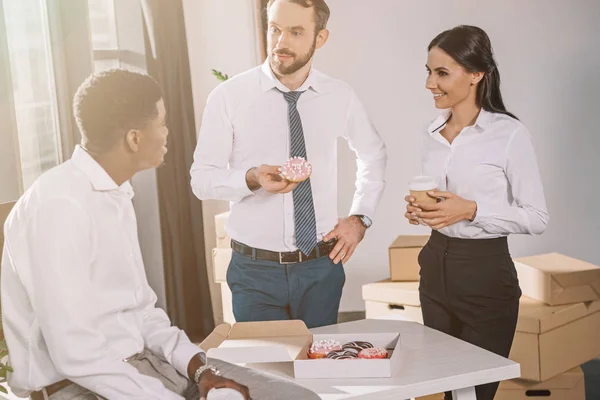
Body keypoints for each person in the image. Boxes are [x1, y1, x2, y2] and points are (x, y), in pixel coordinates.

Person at [1, 69, 316, 400]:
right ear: (134, 138)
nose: (167, 133)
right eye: (161, 123)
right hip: (81, 387)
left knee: (298, 397)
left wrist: (201, 368)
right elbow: (78, 356)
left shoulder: (115, 193)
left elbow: (142, 311)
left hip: (140, 365)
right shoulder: (59, 206)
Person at [190, 0, 386, 328]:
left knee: (319, 372)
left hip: (320, 268)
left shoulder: (339, 96)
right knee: (267, 375)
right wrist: (250, 178)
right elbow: (202, 180)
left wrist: (359, 219)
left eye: (296, 32)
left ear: (319, 38)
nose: (281, 42)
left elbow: (373, 154)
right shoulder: (229, 96)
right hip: (254, 272)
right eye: (275, 29)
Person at [405, 25, 549, 400]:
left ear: (476, 74)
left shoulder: (509, 135)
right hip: (435, 267)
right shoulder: (430, 132)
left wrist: (470, 210)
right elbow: (440, 202)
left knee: (475, 393)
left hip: (485, 276)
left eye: (441, 73)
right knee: (448, 388)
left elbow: (536, 217)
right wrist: (422, 210)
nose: (429, 83)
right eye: (428, 71)